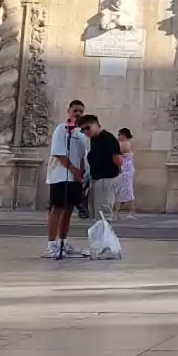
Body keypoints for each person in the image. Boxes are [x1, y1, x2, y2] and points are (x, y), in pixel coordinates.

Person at [44, 99, 88, 257]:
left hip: (75, 179)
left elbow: (83, 155)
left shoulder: (81, 134)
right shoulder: (61, 129)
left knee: (68, 210)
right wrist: (74, 169)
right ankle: (51, 244)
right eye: (75, 110)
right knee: (57, 209)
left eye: (81, 111)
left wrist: (81, 172)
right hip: (60, 176)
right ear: (69, 111)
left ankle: (63, 241)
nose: (78, 114)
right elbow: (59, 153)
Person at [76, 115, 123, 220]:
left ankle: (105, 236)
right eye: (83, 130)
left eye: (88, 128)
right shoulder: (94, 139)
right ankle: (99, 235)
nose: (86, 131)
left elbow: (119, 160)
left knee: (104, 213)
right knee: (95, 213)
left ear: (96, 124)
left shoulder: (108, 138)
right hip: (96, 178)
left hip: (106, 179)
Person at [114, 128, 137, 217]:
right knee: (121, 191)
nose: (118, 136)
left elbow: (116, 151)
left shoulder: (125, 144)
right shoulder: (124, 143)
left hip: (126, 170)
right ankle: (117, 212)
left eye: (119, 135)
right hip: (124, 170)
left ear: (124, 135)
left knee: (128, 190)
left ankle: (132, 211)